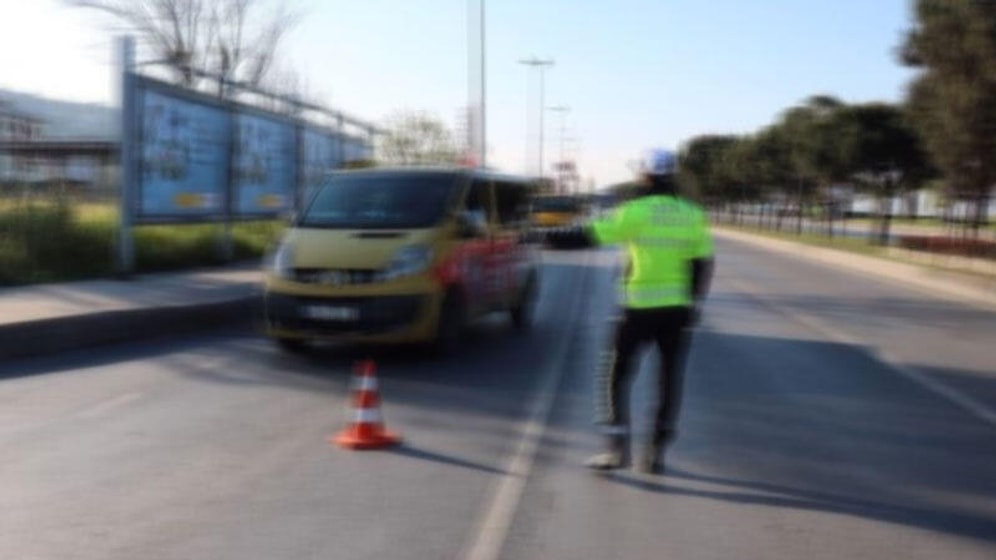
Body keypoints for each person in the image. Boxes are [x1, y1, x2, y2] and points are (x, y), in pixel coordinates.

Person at [545, 149, 714, 474]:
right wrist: (693, 304)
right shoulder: (692, 213)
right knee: (669, 380)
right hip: (677, 311)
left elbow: (589, 235)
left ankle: (615, 449)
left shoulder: (634, 211)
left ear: (646, 175)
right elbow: (702, 263)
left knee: (614, 377)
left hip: (637, 309)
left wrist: (543, 238)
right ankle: (656, 453)